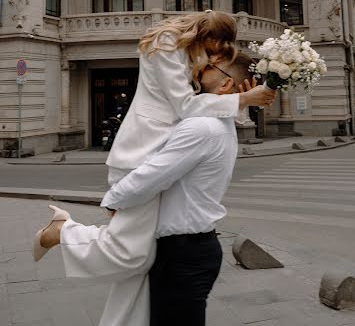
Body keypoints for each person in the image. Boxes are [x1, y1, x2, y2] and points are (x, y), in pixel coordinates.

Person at [33, 11, 275, 326]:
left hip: (155, 148)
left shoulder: (185, 55)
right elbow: (185, 107)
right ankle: (62, 231)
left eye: (214, 59)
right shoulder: (166, 43)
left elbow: (190, 107)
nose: (208, 61)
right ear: (208, 35)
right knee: (133, 255)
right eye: (214, 51)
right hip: (141, 150)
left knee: (139, 264)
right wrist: (244, 99)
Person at [103, 52, 259, 326]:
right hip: (188, 250)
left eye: (209, 65)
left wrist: (113, 200)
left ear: (224, 85)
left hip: (183, 254)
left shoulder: (202, 126)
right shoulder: (214, 123)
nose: (197, 66)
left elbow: (151, 176)